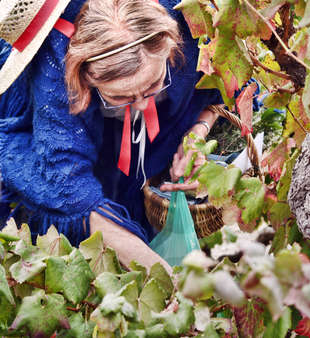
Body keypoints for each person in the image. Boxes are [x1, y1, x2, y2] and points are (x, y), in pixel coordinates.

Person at [0, 0, 222, 272]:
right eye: (119, 96)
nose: (141, 105)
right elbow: (73, 190)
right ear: (84, 79)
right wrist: (167, 279)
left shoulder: (190, 20)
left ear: (171, 44)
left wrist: (196, 133)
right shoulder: (55, 73)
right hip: (79, 133)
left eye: (153, 85)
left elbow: (222, 85)